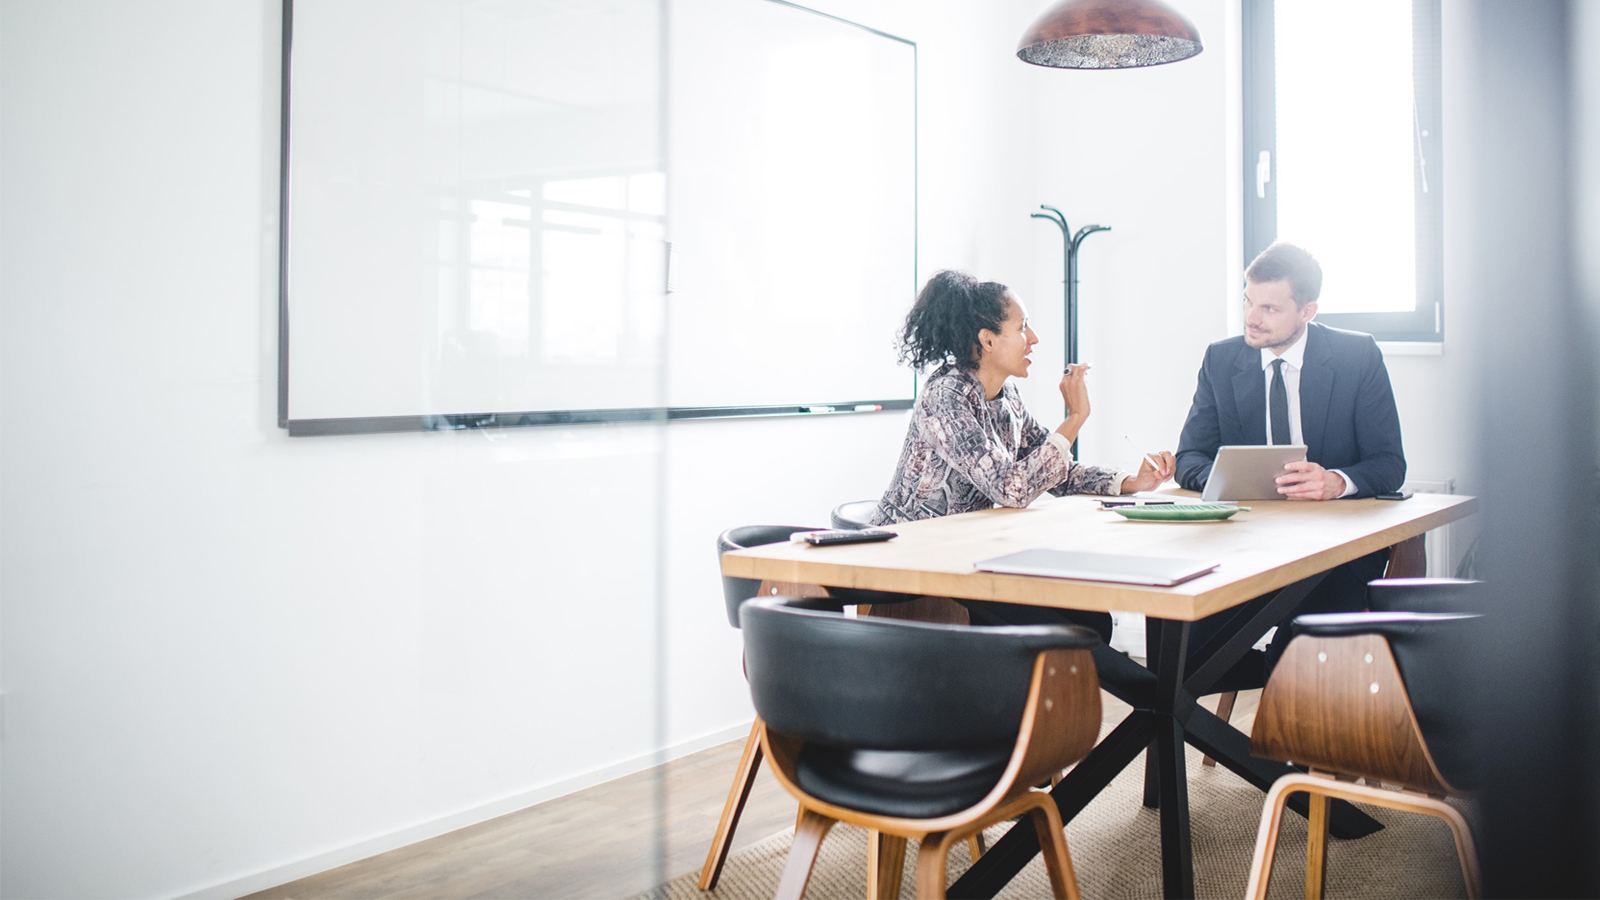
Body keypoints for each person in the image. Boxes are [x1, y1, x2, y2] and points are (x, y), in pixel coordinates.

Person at [868, 269, 1175, 641]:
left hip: (968, 555)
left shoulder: (1006, 397)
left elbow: (1053, 470)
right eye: (1023, 327)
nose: (1034, 339)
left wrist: (1131, 482)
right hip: (918, 557)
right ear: (988, 340)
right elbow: (1011, 489)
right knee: (1079, 628)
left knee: (1093, 620)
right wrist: (1075, 418)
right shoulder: (946, 397)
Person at [1175, 241, 1406, 673]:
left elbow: (1389, 463)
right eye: (1248, 301)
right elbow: (1189, 456)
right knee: (1183, 651)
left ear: (1308, 311)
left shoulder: (1358, 357)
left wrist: (1337, 482)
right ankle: (1241, 716)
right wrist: (1229, 478)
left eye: (1269, 308)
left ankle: (1288, 711)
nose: (1251, 318)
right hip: (1245, 546)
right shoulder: (1221, 359)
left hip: (1336, 551)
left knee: (1306, 654)